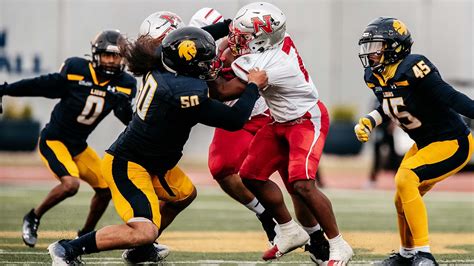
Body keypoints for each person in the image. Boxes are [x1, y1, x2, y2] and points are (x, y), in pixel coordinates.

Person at [47, 26, 268, 265]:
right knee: (144, 230)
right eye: (205, 61)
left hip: (154, 161)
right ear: (188, 64)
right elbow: (235, 120)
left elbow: (182, 43)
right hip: (130, 164)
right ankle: (67, 249)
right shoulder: (183, 92)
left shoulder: (161, 63)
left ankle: (141, 251)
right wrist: (253, 86)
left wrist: (225, 27)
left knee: (184, 195)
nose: (209, 65)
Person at [227, 2, 353, 264]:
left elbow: (224, 91)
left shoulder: (271, 62)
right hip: (280, 121)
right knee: (250, 175)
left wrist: (208, 63)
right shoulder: (270, 47)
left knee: (303, 185)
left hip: (307, 120)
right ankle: (288, 229)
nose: (236, 39)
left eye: (244, 35)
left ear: (262, 38)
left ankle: (339, 244)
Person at [0, 30, 136, 248]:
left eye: (116, 56)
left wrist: (125, 110)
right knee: (70, 185)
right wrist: (5, 90)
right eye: (106, 55)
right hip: (54, 140)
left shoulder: (125, 83)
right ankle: (33, 216)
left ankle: (84, 235)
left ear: (123, 58)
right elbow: (40, 84)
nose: (111, 61)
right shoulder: (77, 70)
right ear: (96, 55)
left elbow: (128, 120)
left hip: (79, 146)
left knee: (106, 189)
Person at [355, 17, 474, 265]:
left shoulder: (414, 66)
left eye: (376, 46)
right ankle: (406, 254)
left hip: (452, 141)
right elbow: (389, 104)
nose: (371, 54)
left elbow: (450, 97)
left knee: (405, 177)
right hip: (424, 144)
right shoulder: (374, 76)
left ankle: (424, 253)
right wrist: (369, 120)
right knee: (400, 196)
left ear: (395, 46)